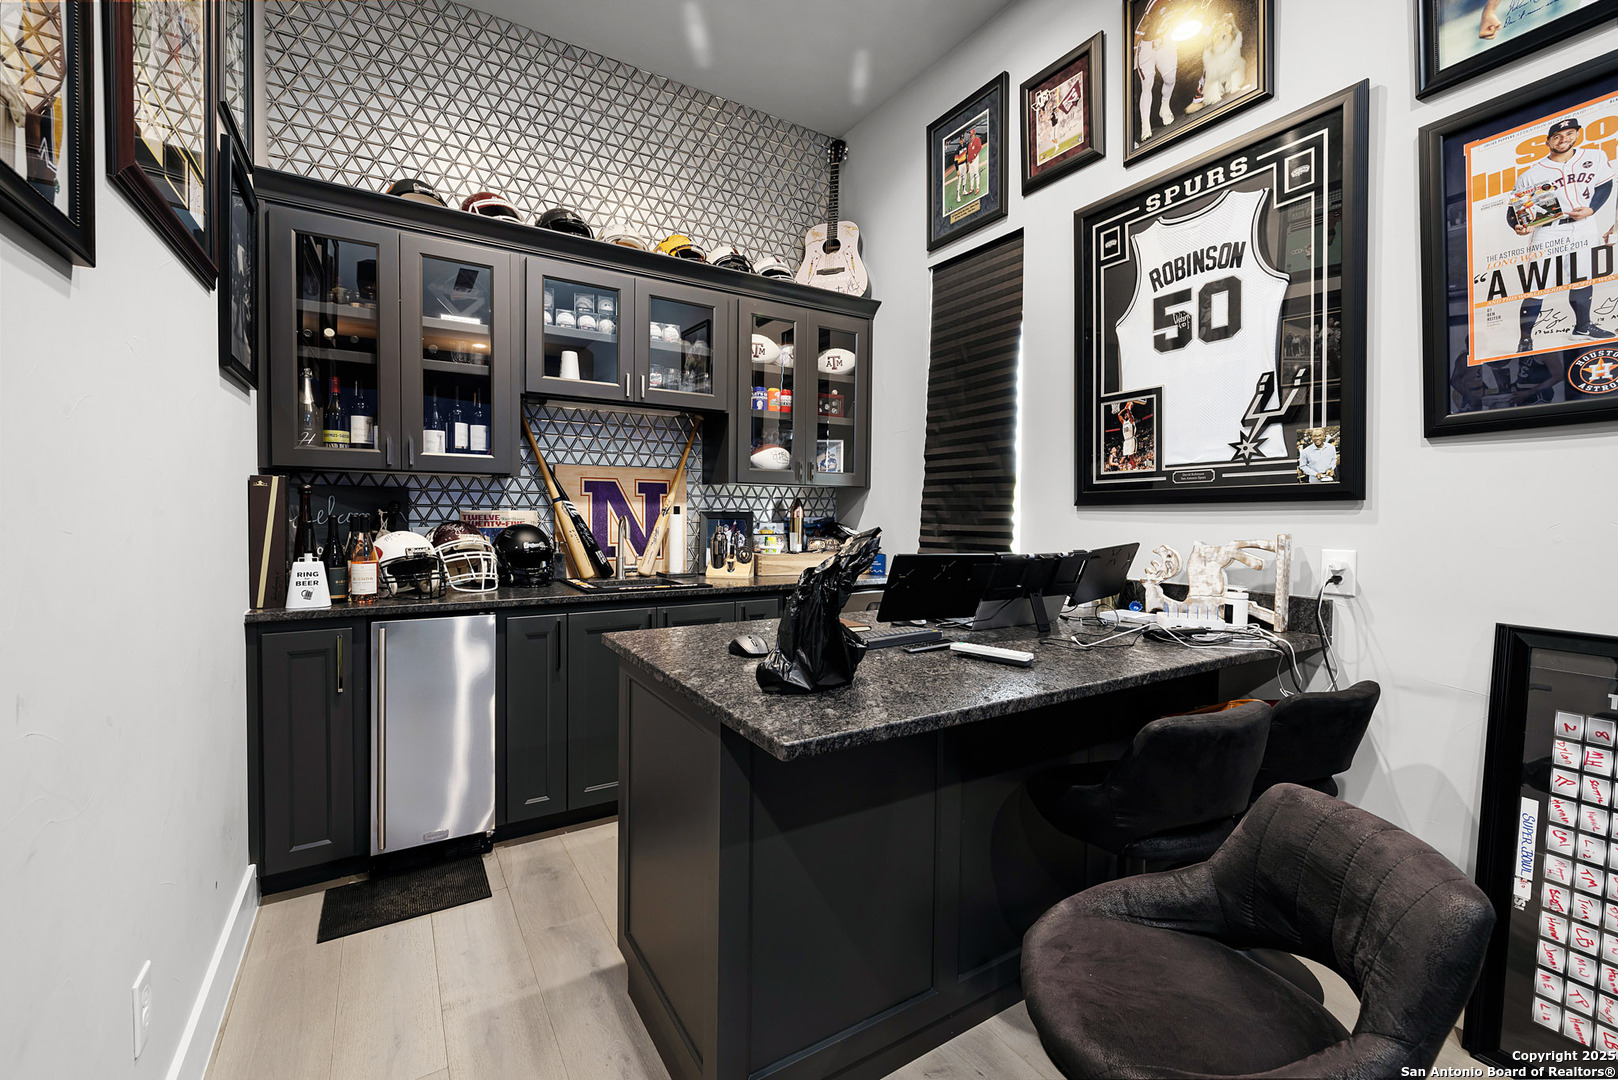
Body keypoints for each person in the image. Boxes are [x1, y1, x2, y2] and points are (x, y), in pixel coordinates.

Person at [1508, 117, 1614, 353]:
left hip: (1584, 224)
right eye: (1557, 136)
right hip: (1549, 230)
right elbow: (1513, 213)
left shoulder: (1594, 156)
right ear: (1548, 142)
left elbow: (1605, 185)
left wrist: (1592, 209)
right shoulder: (1531, 174)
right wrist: (1518, 226)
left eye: (1569, 134)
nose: (1564, 139)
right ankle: (1525, 338)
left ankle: (1583, 327)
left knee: (1584, 277)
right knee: (1537, 285)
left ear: (1577, 134)